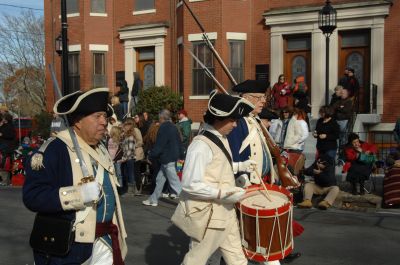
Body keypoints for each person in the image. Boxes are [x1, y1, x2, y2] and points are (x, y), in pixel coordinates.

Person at [23, 87, 127, 265]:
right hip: (70, 247)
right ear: (78, 121)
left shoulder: (101, 148)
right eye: (97, 116)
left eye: (105, 116)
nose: (104, 122)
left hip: (106, 241)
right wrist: (77, 195)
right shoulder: (54, 149)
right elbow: (33, 196)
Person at [180, 91, 255, 265]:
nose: (236, 125)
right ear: (219, 119)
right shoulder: (200, 145)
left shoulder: (221, 138)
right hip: (209, 216)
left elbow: (217, 169)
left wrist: (239, 166)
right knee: (195, 261)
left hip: (225, 212)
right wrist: (225, 194)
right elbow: (190, 184)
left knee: (238, 260)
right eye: (233, 120)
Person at [142, 109, 184, 207]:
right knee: (160, 180)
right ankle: (153, 199)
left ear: (161, 118)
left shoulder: (163, 127)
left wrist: (151, 155)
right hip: (174, 157)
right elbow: (179, 142)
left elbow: (160, 144)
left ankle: (187, 204)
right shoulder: (174, 127)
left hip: (167, 159)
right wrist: (181, 155)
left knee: (175, 183)